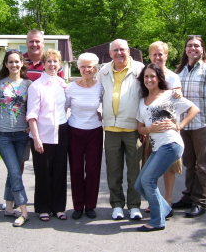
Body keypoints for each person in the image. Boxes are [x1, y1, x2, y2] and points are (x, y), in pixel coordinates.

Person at [134, 64, 199, 232]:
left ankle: (157, 220)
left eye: (152, 76)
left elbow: (194, 109)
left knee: (148, 180)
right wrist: (149, 130)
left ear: (159, 78)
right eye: (146, 77)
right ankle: (166, 209)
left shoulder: (170, 95)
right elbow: (140, 127)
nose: (149, 79)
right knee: (139, 185)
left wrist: (179, 125)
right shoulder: (142, 102)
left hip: (171, 144)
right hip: (157, 147)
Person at [172, 35, 206, 218]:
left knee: (202, 165)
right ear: (185, 50)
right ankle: (188, 197)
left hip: (202, 124)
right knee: (188, 163)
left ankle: (199, 202)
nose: (192, 48)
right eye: (189, 46)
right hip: (185, 125)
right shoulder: (181, 72)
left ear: (202, 49)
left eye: (196, 46)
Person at [97, 39, 145, 220]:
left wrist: (144, 124)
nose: (119, 53)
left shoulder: (140, 69)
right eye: (115, 50)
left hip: (133, 128)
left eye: (122, 50)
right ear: (110, 53)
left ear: (129, 51)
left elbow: (146, 96)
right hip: (111, 129)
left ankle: (134, 206)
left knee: (135, 171)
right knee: (113, 171)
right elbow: (97, 94)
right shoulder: (103, 71)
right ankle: (116, 205)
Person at [26, 49, 69, 222]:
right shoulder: (36, 86)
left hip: (62, 131)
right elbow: (31, 114)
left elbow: (67, 107)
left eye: (55, 61)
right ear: (43, 64)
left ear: (59, 64)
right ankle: (43, 207)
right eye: (49, 61)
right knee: (43, 172)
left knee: (59, 172)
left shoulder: (62, 84)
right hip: (42, 134)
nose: (52, 65)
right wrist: (36, 138)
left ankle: (58, 208)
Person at [0, 50, 31, 227]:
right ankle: (24, 210)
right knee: (15, 171)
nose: (14, 65)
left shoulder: (29, 84)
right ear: (5, 64)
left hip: (22, 135)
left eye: (17, 62)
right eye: (10, 62)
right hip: (3, 135)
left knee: (14, 171)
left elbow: (32, 107)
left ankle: (8, 208)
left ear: (22, 63)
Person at [66, 53, 103, 220]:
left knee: (93, 170)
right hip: (74, 131)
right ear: (78, 67)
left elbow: (106, 105)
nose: (86, 69)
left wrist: (102, 113)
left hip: (94, 131)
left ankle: (90, 206)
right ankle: (78, 206)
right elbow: (63, 107)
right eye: (83, 66)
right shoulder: (71, 87)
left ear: (95, 68)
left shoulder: (100, 86)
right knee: (76, 169)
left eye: (90, 66)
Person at [147, 41, 182, 209]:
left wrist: (177, 125)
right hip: (151, 130)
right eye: (154, 54)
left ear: (166, 56)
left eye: (161, 54)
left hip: (168, 130)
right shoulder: (146, 75)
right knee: (151, 168)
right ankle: (153, 200)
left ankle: (168, 200)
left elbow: (179, 104)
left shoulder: (173, 78)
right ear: (149, 56)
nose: (158, 57)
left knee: (169, 168)